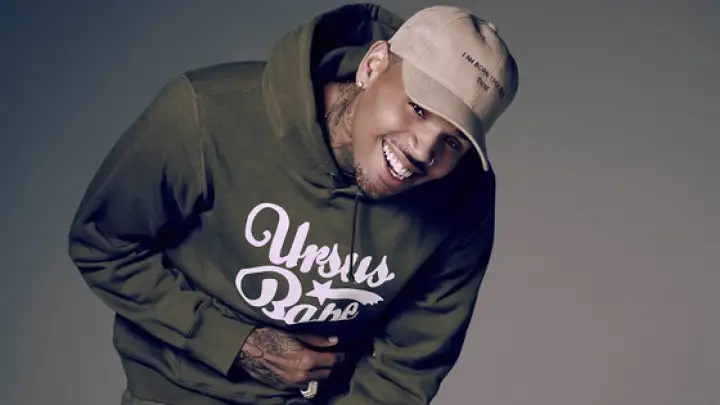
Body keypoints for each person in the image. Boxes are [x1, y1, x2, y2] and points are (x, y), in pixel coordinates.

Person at [67, 3, 519, 404]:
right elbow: (103, 244)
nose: (423, 151)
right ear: (373, 65)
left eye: (453, 141)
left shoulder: (464, 198)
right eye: (418, 108)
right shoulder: (207, 115)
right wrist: (237, 344)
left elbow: (407, 368)